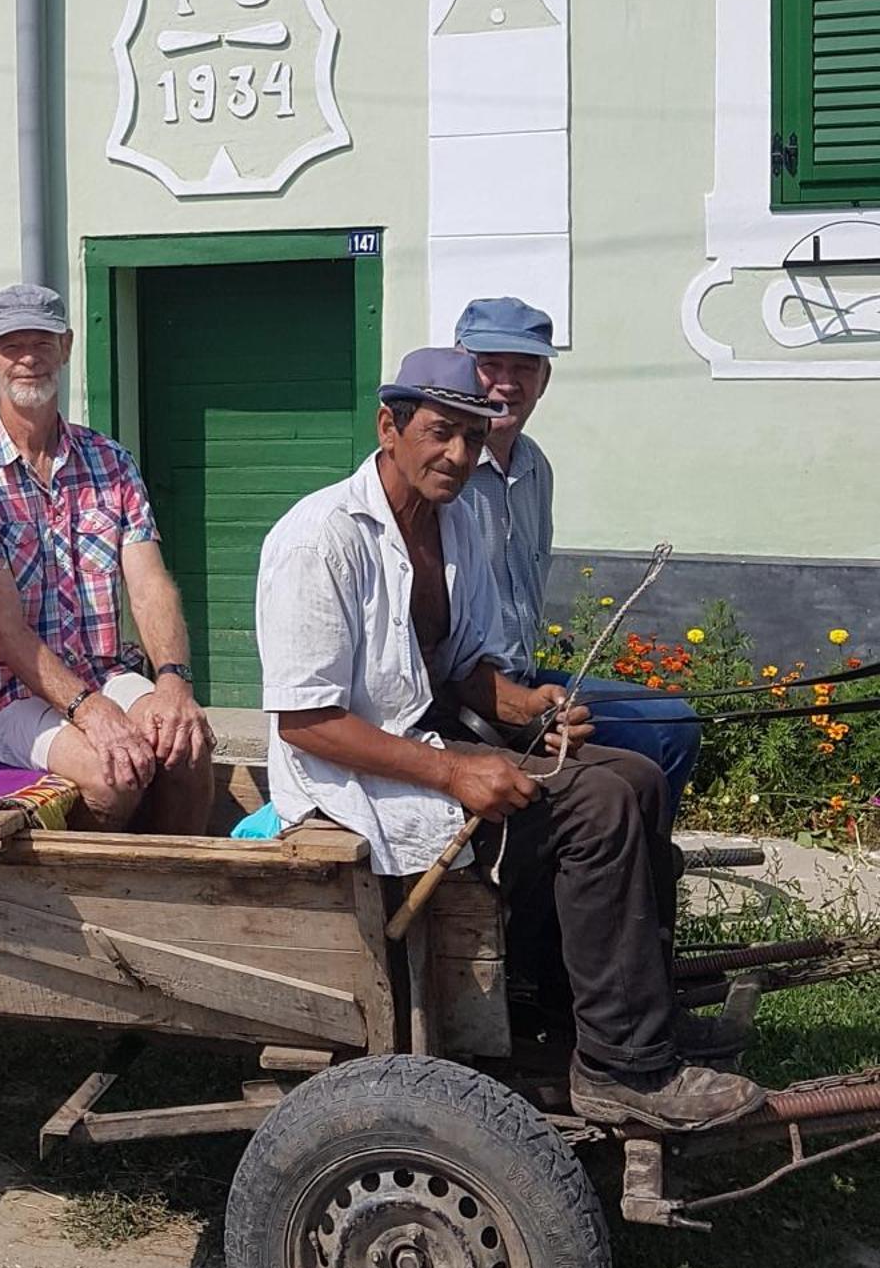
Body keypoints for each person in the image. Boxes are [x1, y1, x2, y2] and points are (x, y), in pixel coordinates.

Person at [254, 347, 763, 1130]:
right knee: (594, 807)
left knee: (637, 778)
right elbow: (308, 721)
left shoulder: (454, 525)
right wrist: (454, 775)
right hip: (350, 774)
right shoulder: (320, 539)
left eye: (470, 436)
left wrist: (529, 706)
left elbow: (461, 670)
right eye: (439, 433)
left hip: (429, 742)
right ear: (388, 427)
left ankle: (614, 1015)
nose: (458, 455)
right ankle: (623, 1068)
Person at [0, 282, 215, 832]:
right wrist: (91, 712)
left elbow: (150, 583)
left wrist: (174, 682)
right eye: (12, 344)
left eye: (42, 341)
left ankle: (176, 903)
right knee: (112, 774)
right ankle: (87, 911)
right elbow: (6, 631)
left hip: (102, 671)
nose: (29, 358)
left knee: (188, 744)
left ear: (66, 347)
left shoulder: (110, 460)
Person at [452, 296, 702, 822]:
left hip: (527, 675)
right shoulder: (444, 471)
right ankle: (591, 870)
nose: (507, 383)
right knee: (637, 763)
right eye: (489, 366)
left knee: (674, 722)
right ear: (460, 369)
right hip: (466, 692)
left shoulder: (534, 465)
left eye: (525, 368)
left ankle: (646, 868)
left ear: (544, 380)